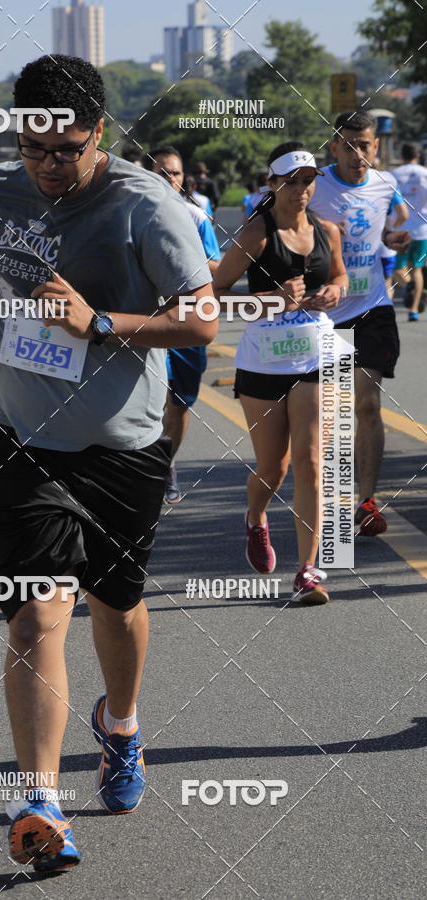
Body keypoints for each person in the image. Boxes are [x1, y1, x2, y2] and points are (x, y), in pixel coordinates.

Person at [0, 54, 216, 872]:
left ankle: (121, 725)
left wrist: (99, 321)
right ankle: (38, 801)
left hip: (121, 446)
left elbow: (202, 321)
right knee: (39, 612)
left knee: (115, 605)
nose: (48, 165)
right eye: (35, 148)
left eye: (67, 149)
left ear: (98, 134)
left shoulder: (147, 203)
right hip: (17, 438)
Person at [213, 142, 348, 603]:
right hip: (263, 361)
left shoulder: (327, 230)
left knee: (311, 463)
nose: (302, 190)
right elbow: (213, 296)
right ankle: (255, 516)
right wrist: (271, 301)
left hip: (318, 355)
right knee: (275, 467)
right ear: (272, 185)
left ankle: (308, 570)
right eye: (291, 182)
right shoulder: (255, 233)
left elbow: (341, 277)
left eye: (308, 180)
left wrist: (333, 290)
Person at [309, 111, 410, 537]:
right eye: (348, 145)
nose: (357, 154)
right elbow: (276, 225)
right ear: (334, 146)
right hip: (324, 315)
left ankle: (366, 503)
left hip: (373, 308)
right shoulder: (313, 183)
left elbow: (399, 220)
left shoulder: (385, 184)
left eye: (364, 145)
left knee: (366, 401)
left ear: (376, 146)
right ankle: (328, 496)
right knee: (331, 413)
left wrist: (392, 238)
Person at [148, 145, 221, 503]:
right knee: (151, 400)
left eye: (174, 173)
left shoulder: (197, 215)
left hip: (188, 324)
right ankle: (149, 470)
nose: (168, 179)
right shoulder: (131, 212)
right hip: (147, 323)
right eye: (161, 172)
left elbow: (215, 266)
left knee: (179, 406)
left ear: (183, 178)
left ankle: (167, 462)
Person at [392, 142, 427, 321]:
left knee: (397, 269)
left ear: (402, 156)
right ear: (418, 155)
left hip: (400, 231)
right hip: (422, 230)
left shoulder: (394, 175)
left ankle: (409, 288)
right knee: (417, 270)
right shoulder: (425, 173)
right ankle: (413, 307)